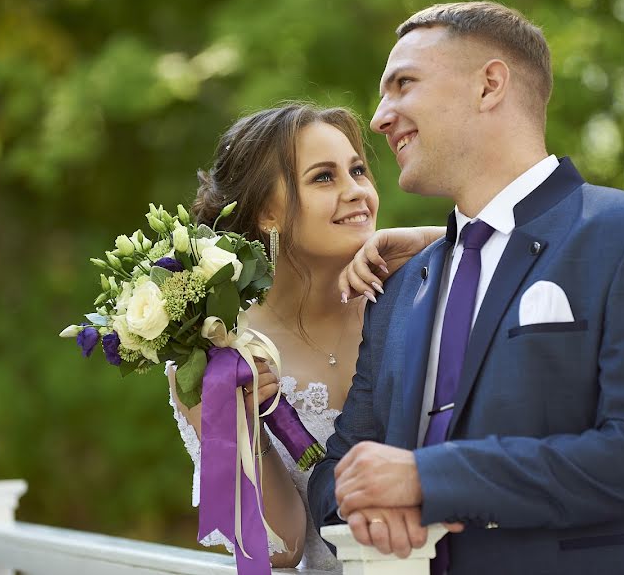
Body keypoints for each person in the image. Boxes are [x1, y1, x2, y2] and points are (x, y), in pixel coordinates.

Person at [309, 1, 624, 574]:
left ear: (489, 85)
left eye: (403, 84)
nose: (380, 117)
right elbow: (334, 475)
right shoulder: (401, 288)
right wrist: (368, 505)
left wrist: (429, 480)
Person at [165, 103, 443, 570]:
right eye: (324, 178)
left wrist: (422, 239)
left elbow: (527, 248)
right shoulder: (218, 358)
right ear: (267, 213)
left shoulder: (417, 298)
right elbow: (282, 548)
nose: (357, 191)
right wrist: (244, 424)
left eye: (357, 170)